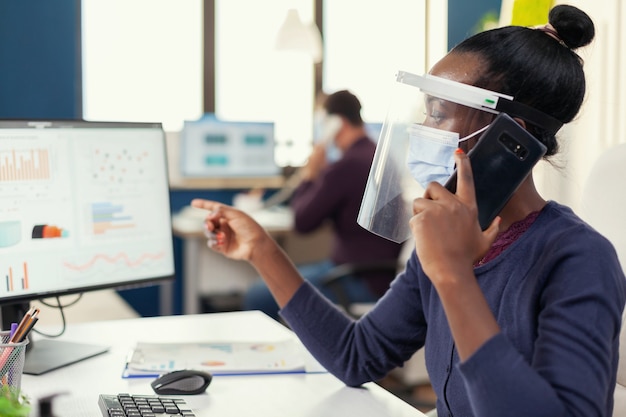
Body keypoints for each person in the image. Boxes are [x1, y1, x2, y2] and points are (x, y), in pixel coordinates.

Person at [192, 5, 626, 416]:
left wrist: (454, 275)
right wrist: (262, 251)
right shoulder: (439, 245)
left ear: (514, 134)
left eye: (438, 114)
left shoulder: (579, 258)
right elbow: (356, 356)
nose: (422, 130)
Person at [242, 90, 403, 320]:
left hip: (356, 279)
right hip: (376, 274)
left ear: (337, 123)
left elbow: (302, 222)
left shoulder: (348, 165)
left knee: (258, 295)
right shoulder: (375, 155)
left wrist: (311, 174)